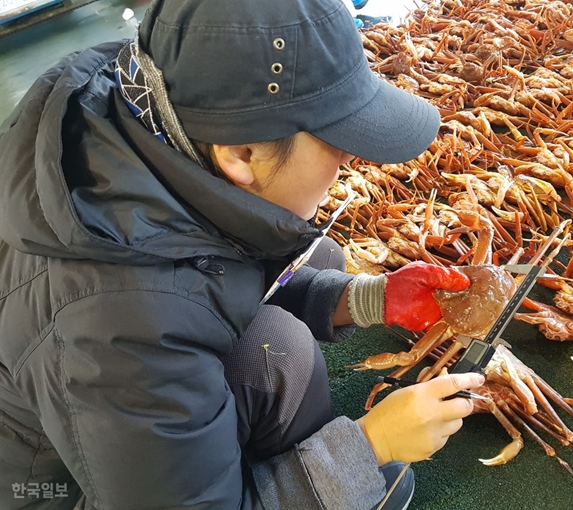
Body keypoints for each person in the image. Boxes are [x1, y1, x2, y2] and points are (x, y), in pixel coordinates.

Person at [0, 0, 486, 509]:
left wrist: (372, 298)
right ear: (241, 154)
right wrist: (368, 448)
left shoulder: (153, 119)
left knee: (318, 260)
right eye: (336, 140)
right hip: (58, 492)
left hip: (114, 434)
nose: (349, 157)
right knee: (281, 349)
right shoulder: (123, 323)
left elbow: (214, 268)